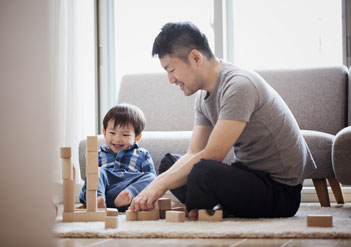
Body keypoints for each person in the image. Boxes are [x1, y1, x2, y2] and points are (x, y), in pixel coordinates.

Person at [130, 21, 316, 219]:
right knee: (169, 163)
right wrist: (156, 183)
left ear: (195, 57)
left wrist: (160, 185)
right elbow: (194, 151)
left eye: (171, 69)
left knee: (203, 171)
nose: (170, 79)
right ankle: (209, 205)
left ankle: (203, 206)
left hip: (279, 191)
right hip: (248, 176)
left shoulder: (239, 85)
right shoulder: (202, 97)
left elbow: (213, 154)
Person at [79, 103, 156, 211]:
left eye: (125, 135)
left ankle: (127, 195)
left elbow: (152, 183)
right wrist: (86, 197)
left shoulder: (142, 154)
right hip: (106, 192)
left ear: (137, 137)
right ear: (104, 133)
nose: (118, 139)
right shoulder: (98, 154)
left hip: (127, 193)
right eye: (112, 133)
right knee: (96, 172)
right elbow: (90, 180)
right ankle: (97, 200)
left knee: (151, 177)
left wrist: (133, 192)